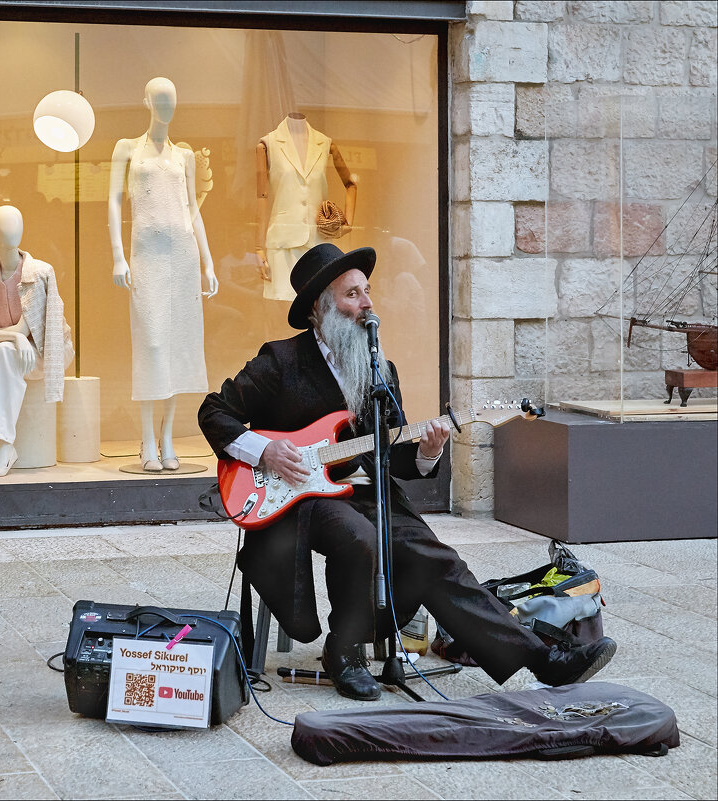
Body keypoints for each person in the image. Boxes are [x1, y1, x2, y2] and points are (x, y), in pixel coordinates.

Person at [198, 242, 617, 701]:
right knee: (357, 537)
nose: (367, 303)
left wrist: (428, 452)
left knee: (437, 559)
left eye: (367, 291)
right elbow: (214, 411)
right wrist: (266, 451)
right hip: (298, 495)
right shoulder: (281, 360)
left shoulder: (380, 369)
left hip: (364, 493)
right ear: (322, 308)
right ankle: (346, 652)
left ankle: (544, 662)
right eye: (352, 294)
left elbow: (393, 453)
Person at [108, 76, 217, 472]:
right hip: (147, 258)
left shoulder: (183, 156)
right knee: (152, 344)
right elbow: (114, 202)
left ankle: (168, 435)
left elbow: (193, 210)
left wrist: (207, 261)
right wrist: (119, 256)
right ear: (146, 101)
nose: (166, 107)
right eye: (159, 99)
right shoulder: (126, 149)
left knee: (177, 348)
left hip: (183, 258)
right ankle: (145, 438)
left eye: (171, 100)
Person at [0, 205, 71, 478]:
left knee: (6, 352)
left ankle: (5, 445)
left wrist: (17, 338)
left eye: (17, 223)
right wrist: (13, 337)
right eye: (6, 225)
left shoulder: (40, 272)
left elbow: (27, 328)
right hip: (9, 347)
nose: (14, 230)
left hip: (41, 350)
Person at [254, 113, 357, 302]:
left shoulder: (325, 143)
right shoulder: (268, 144)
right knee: (281, 311)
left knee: (319, 305)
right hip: (283, 245)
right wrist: (259, 248)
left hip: (318, 244)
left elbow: (351, 183)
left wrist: (347, 223)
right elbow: (262, 197)